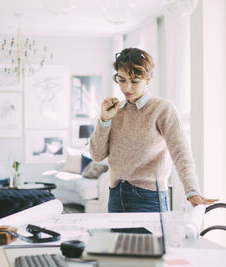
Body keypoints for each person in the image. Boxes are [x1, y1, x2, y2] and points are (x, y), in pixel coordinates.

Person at [89, 47, 218, 213]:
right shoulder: (116, 110)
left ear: (148, 79)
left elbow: (181, 152)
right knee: (120, 241)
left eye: (134, 81)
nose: (126, 88)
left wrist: (191, 189)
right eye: (121, 80)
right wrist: (104, 120)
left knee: (153, 241)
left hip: (149, 198)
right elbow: (97, 155)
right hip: (116, 195)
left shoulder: (162, 109)